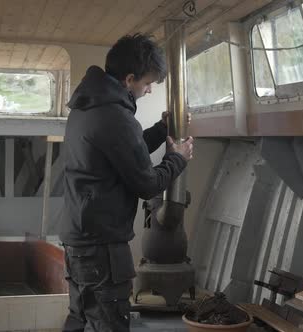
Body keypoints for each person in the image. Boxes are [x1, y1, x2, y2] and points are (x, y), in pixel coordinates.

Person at [59, 33, 194, 332]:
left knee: (80, 318)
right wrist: (178, 159)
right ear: (129, 79)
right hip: (101, 246)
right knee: (109, 323)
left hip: (80, 238)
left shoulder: (88, 104)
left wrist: (161, 130)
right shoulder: (115, 116)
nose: (148, 91)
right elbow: (146, 184)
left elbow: (122, 154)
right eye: (147, 83)